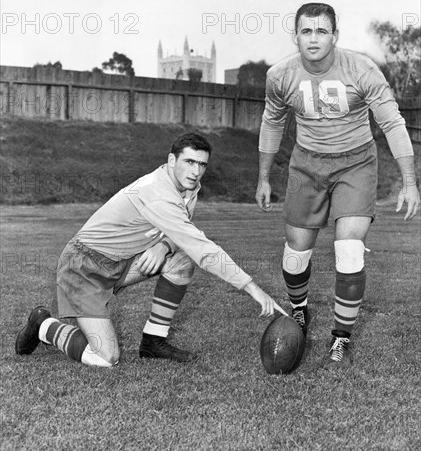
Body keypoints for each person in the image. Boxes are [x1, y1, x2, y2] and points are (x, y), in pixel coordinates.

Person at [16, 132, 286, 367]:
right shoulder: (157, 192)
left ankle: (153, 342)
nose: (195, 171)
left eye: (202, 164)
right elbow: (202, 248)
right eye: (189, 162)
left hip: (120, 263)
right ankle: (44, 326)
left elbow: (181, 230)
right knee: (106, 358)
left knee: (180, 261)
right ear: (172, 161)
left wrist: (163, 245)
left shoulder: (189, 188)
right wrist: (252, 287)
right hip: (84, 267)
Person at [255, 2, 420, 367]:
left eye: (321, 30)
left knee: (349, 249)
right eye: (306, 31)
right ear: (295, 35)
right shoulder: (280, 74)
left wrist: (409, 182)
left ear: (335, 35)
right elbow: (272, 123)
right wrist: (264, 176)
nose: (313, 38)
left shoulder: (361, 69)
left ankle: (340, 337)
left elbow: (393, 123)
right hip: (306, 164)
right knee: (296, 253)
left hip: (356, 163)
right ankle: (299, 309)